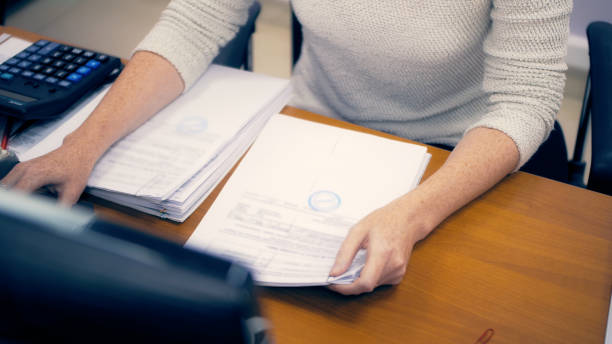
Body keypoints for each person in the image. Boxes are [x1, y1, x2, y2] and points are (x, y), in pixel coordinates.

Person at [0, 0, 572, 295]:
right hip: (317, 130)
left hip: (463, 153)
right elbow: (198, 20)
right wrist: (82, 144)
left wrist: (414, 211)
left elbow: (528, 98)